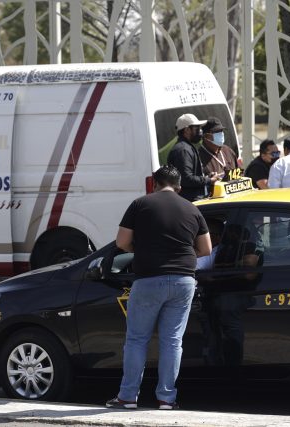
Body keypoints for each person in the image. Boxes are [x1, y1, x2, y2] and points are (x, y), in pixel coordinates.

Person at [106, 165, 212, 410]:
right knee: (173, 341)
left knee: (136, 339)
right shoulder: (192, 208)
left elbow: (122, 242)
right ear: (179, 187)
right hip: (184, 280)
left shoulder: (140, 204)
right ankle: (166, 399)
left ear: (154, 184)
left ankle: (128, 397)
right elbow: (205, 249)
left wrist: (140, 250)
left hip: (149, 278)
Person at [167, 113, 223, 201]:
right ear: (187, 130)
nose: (200, 131)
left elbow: (192, 175)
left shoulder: (187, 147)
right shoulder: (183, 150)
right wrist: (208, 180)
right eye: (197, 128)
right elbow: (186, 179)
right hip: (188, 201)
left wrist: (207, 177)